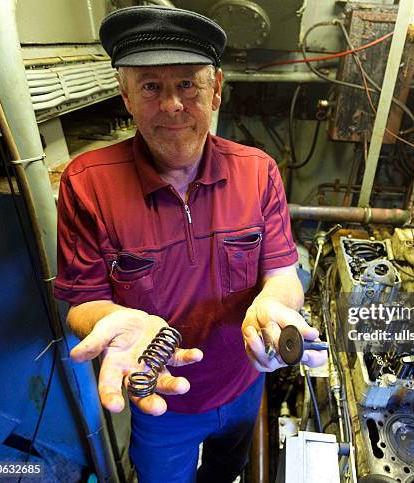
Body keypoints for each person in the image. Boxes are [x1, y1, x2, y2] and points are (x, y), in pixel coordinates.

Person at [54, 5, 326, 483]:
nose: (172, 105)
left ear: (216, 89)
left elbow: (281, 274)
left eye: (187, 84)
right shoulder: (87, 183)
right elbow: (83, 300)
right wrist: (111, 318)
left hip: (244, 385)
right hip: (163, 405)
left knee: (228, 471)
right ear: (126, 95)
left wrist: (276, 306)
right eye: (151, 87)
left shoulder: (257, 171)